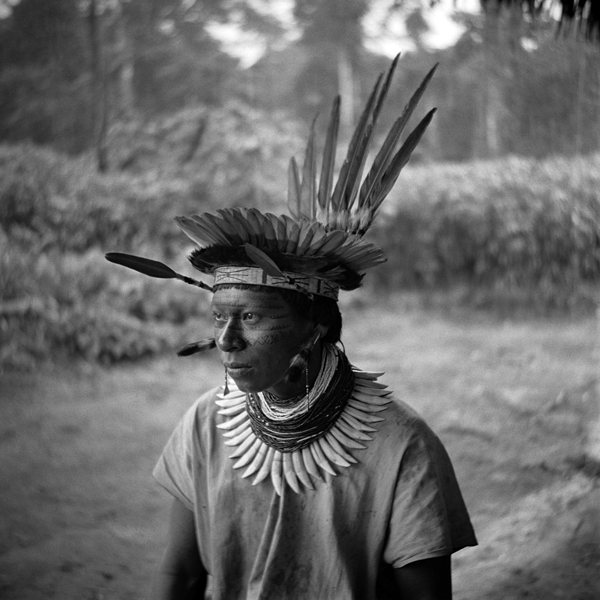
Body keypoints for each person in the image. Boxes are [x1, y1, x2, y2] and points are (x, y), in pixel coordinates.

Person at [107, 56, 477, 600]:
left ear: (313, 329)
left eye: (251, 317)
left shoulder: (401, 446)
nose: (226, 341)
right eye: (220, 317)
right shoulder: (206, 425)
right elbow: (182, 574)